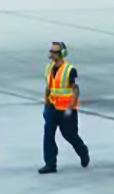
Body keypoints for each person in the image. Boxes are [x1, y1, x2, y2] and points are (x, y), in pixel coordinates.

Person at [40, 41, 90, 174]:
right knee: (48, 135)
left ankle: (83, 151)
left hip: (66, 110)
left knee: (70, 135)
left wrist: (70, 107)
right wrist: (46, 105)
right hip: (52, 108)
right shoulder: (48, 68)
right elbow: (49, 88)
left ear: (62, 53)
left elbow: (75, 90)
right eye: (51, 51)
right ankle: (50, 164)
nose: (51, 54)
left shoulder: (69, 70)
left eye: (54, 52)